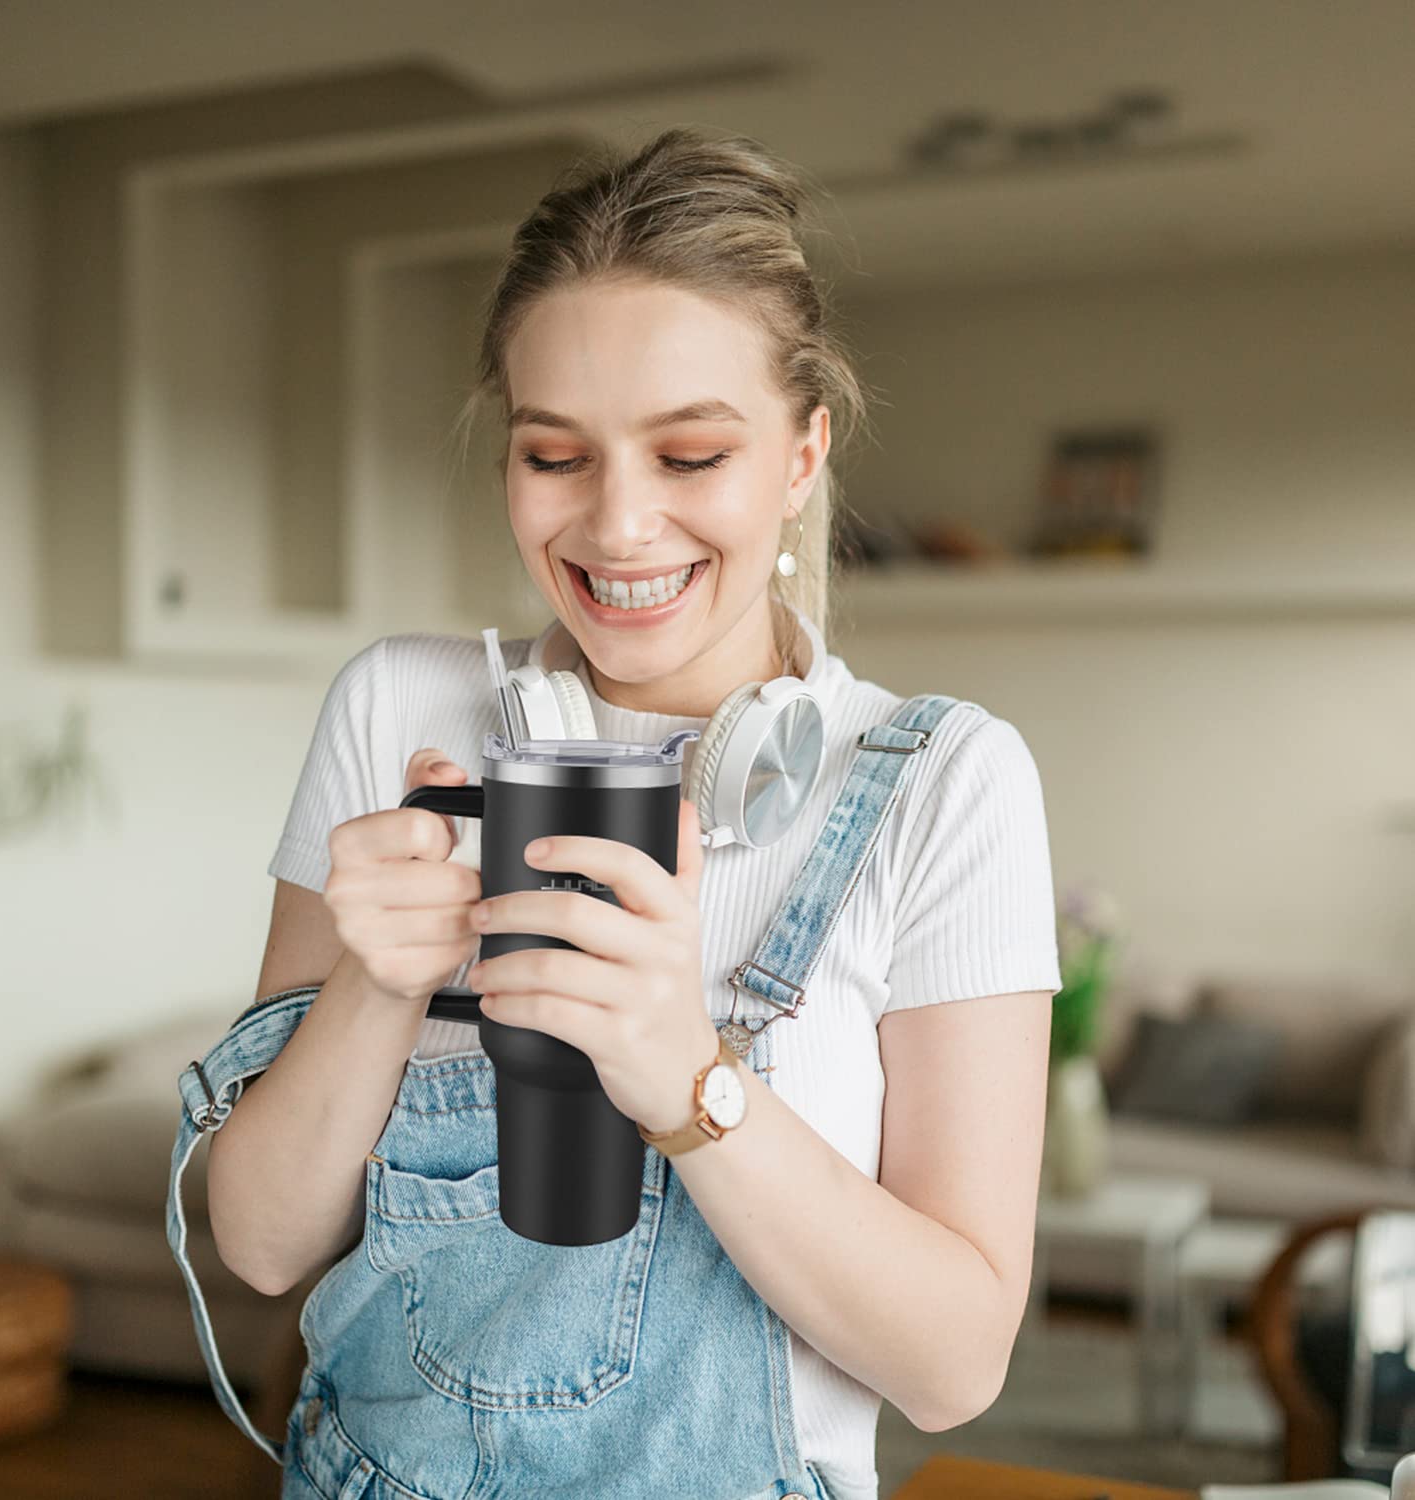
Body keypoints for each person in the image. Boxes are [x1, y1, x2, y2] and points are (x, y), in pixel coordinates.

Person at [193, 126, 1063, 1500]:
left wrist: (685, 1077)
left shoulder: (944, 782)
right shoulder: (398, 713)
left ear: (801, 456)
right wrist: (378, 982)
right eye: (557, 456)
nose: (617, 526)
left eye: (691, 454)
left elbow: (955, 1367)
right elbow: (257, 1243)